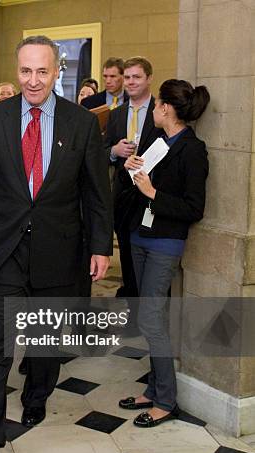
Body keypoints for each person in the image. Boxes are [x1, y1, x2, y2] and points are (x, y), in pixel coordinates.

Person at [0, 35, 113, 453]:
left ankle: (36, 395)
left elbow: (96, 193)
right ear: (16, 70)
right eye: (25, 70)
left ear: (56, 71)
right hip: (2, 249)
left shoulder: (81, 123)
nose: (32, 80)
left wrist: (100, 246)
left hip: (59, 251)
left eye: (41, 71)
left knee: (45, 343)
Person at [118, 79, 210, 427]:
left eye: (157, 104)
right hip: (139, 235)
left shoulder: (193, 149)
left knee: (151, 320)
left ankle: (166, 401)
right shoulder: (156, 140)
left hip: (165, 242)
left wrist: (153, 192)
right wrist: (133, 173)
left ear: (166, 109)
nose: (153, 109)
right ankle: (154, 389)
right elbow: (140, 186)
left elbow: (194, 207)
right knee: (148, 315)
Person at [106, 57, 164, 300]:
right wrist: (113, 151)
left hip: (151, 194)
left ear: (149, 79)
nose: (130, 82)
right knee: (128, 257)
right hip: (123, 196)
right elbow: (101, 150)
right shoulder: (117, 114)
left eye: (136, 77)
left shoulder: (160, 112)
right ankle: (131, 306)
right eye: (127, 77)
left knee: (151, 259)